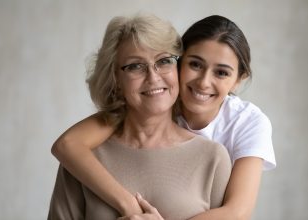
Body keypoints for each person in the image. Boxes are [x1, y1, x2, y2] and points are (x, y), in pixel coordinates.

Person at [51, 14, 276, 219]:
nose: (153, 77)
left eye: (163, 61)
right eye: (135, 66)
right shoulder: (83, 160)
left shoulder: (218, 153)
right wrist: (129, 207)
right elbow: (68, 144)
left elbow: (238, 212)